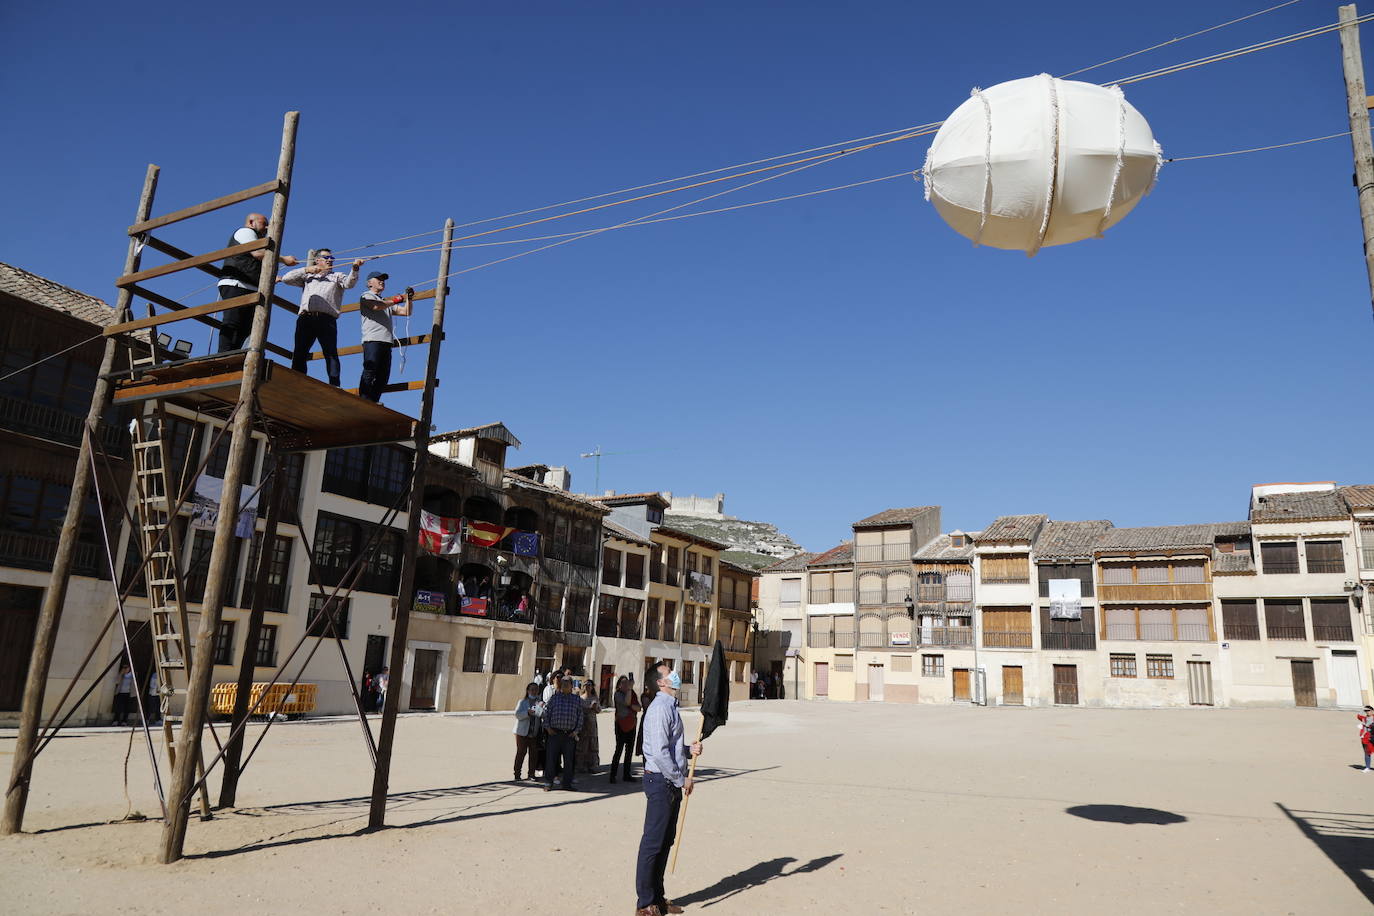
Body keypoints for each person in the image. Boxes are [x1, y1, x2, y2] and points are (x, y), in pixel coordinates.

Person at [635, 663, 703, 916]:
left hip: (669, 782)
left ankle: (658, 899)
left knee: (665, 842)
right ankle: (644, 904)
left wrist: (688, 751)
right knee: (653, 843)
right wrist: (681, 779)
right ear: (661, 682)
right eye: (669, 672)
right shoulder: (660, 708)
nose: (675, 673)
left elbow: (671, 747)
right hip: (661, 782)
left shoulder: (670, 707)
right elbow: (660, 754)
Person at [215, 212, 298, 353]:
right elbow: (258, 253)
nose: (266, 227)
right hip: (236, 284)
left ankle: (231, 355)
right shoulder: (245, 232)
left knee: (245, 328)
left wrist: (271, 278)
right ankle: (223, 356)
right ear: (251, 222)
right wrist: (284, 259)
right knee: (233, 322)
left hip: (249, 287)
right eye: (263, 223)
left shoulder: (256, 238)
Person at [279, 249, 362, 386]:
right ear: (317, 260)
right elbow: (287, 278)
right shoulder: (308, 277)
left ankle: (334, 384)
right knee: (300, 351)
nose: (330, 260)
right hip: (306, 318)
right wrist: (307, 269)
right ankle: (296, 382)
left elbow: (349, 283)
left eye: (332, 258)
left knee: (330, 353)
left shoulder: (337, 276)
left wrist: (355, 268)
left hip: (327, 319)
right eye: (326, 257)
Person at [356, 271, 412, 402]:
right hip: (372, 340)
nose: (382, 281)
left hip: (386, 342)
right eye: (378, 279)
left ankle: (373, 401)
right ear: (369, 283)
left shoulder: (385, 302)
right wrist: (394, 300)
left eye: (383, 279)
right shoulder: (366, 296)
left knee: (383, 376)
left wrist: (409, 299)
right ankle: (363, 399)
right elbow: (376, 306)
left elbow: (406, 311)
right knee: (370, 370)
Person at [542, 675, 584, 792]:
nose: (565, 685)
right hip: (554, 734)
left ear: (571, 686)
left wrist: (576, 731)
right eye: (563, 683)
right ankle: (548, 783)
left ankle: (567, 784)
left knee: (569, 761)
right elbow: (546, 714)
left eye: (567, 683)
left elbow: (580, 717)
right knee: (551, 759)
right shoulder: (554, 698)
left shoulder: (576, 699)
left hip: (569, 735)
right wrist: (548, 728)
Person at [610, 675, 641, 784]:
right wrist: (630, 689)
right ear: (619, 685)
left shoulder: (632, 693)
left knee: (629, 751)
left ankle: (626, 774)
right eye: (623, 682)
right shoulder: (618, 694)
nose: (625, 684)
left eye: (627, 682)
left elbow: (638, 707)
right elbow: (627, 702)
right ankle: (612, 775)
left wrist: (632, 706)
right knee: (619, 750)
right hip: (621, 724)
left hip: (631, 724)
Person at [513, 682, 544, 781]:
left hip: (534, 733)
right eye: (532, 689)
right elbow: (517, 714)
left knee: (534, 754)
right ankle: (517, 774)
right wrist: (527, 712)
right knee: (521, 753)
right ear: (528, 691)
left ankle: (531, 774)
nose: (534, 691)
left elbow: (542, 715)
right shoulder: (522, 702)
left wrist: (542, 709)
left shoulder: (539, 702)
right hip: (522, 732)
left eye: (536, 689)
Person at [576, 680, 602, 774]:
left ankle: (592, 765)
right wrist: (587, 709)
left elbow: (599, 710)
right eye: (586, 685)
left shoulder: (595, 698)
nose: (587, 687)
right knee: (582, 744)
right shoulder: (580, 698)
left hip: (592, 723)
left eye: (589, 685)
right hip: (582, 724)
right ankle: (580, 765)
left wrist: (594, 708)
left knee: (592, 744)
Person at [113, 661, 135, 726]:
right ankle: (116, 720)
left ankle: (124, 721)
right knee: (118, 707)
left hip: (129, 693)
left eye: (126, 667)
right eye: (124, 667)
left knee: (127, 708)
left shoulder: (132, 675)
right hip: (120, 693)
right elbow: (117, 682)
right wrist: (120, 674)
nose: (125, 669)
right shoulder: (122, 675)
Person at [1359, 706, 1374, 772]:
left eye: (1369, 710)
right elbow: (1358, 715)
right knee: (1367, 752)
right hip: (1365, 738)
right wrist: (1362, 709)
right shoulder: (1364, 718)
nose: (1367, 712)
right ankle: (1367, 767)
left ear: (1372, 711)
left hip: (1372, 736)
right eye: (1366, 711)